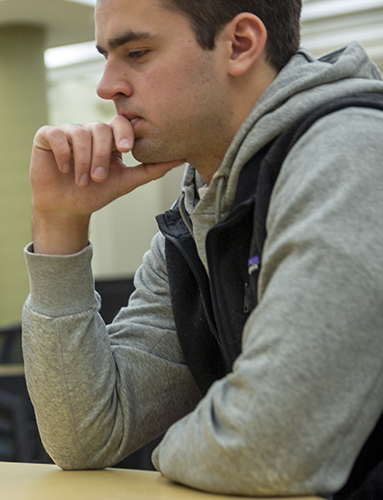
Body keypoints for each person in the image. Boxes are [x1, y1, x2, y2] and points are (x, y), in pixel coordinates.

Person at [22, 0, 383, 497]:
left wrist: (177, 446)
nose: (106, 86)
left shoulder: (352, 155)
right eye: (106, 55)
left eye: (138, 52)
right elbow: (84, 434)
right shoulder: (200, 211)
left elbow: (266, 445)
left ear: (240, 45)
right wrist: (59, 226)